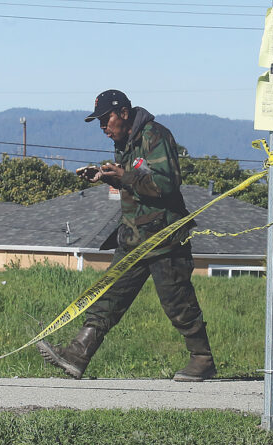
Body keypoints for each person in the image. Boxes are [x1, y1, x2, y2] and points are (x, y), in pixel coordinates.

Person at [36, 89, 216, 382]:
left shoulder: (155, 136)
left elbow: (166, 185)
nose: (103, 128)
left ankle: (202, 359)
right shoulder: (125, 143)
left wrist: (123, 177)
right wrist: (108, 176)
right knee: (109, 297)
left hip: (164, 238)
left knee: (177, 302)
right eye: (99, 123)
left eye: (106, 120)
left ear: (123, 113)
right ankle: (77, 355)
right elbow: (136, 183)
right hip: (133, 237)